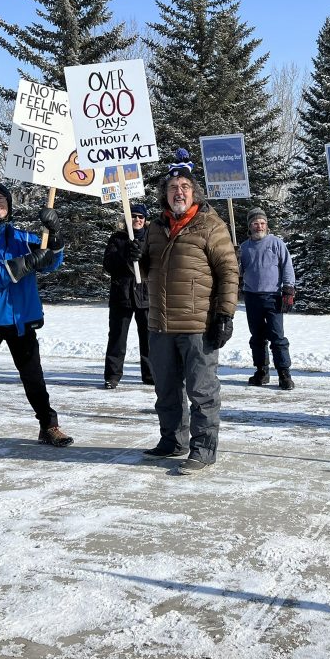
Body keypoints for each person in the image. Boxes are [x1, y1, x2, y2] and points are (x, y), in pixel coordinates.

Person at [127, 154, 239, 474]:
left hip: (196, 324)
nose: (179, 191)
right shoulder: (156, 227)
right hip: (160, 323)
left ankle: (203, 449)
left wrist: (224, 314)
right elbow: (146, 270)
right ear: (165, 193)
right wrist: (135, 257)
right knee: (166, 387)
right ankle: (172, 440)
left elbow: (229, 272)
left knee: (201, 390)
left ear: (195, 192)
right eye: (173, 186)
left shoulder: (211, 224)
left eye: (185, 186)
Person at [0, 183, 72, 461]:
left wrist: (54, 236)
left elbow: (52, 262)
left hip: (22, 320)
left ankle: (48, 426)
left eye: (1, 199)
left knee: (34, 378)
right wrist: (27, 262)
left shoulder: (24, 238)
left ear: (10, 203)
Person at [239, 207, 296, 390]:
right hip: (252, 296)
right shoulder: (245, 247)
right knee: (257, 337)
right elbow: (238, 272)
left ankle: (284, 373)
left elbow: (287, 265)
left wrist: (288, 289)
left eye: (262, 223)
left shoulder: (276, 243)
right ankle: (261, 371)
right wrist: (234, 258)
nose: (259, 226)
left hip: (273, 296)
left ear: (267, 225)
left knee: (277, 337)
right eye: (255, 223)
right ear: (250, 226)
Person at [102, 203, 153, 388]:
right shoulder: (117, 238)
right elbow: (108, 264)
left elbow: (158, 263)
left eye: (141, 217)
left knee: (148, 337)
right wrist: (125, 254)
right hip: (121, 296)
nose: (137, 220)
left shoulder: (151, 238)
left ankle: (150, 375)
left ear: (145, 220)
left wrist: (142, 256)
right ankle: (112, 376)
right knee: (117, 337)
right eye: (134, 216)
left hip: (145, 295)